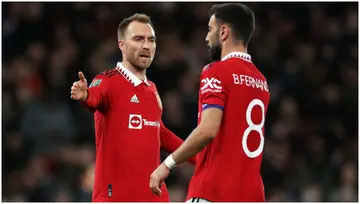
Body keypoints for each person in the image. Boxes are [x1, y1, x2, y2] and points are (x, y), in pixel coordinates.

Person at [149, 3, 270, 202]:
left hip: (213, 191)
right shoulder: (261, 82)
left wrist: (167, 164)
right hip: (252, 195)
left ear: (223, 32)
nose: (206, 37)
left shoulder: (216, 71)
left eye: (210, 29)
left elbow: (208, 130)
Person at [70, 13, 195, 202]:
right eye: (138, 39)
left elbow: (159, 132)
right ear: (122, 44)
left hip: (154, 196)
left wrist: (200, 157)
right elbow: (95, 98)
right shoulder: (106, 80)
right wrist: (86, 96)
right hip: (116, 197)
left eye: (151, 40)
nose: (146, 45)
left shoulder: (152, 89)